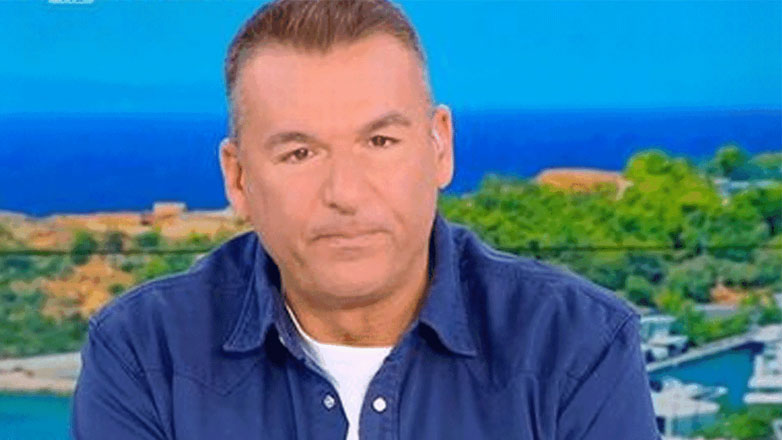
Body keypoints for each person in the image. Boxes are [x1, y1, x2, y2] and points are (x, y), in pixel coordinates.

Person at [71, 0, 661, 439]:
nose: (345, 194)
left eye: (379, 142)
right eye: (299, 153)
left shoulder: (577, 344)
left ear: (440, 146)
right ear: (239, 178)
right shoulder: (144, 353)